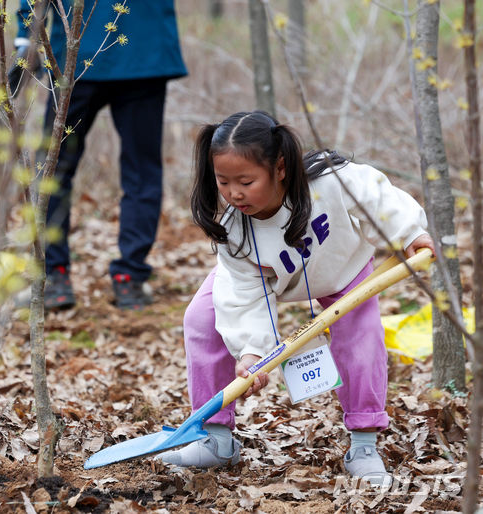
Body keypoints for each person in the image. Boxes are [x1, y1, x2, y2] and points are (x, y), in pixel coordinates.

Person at [156, 111, 435, 486]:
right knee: (202, 320)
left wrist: (411, 234)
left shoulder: (331, 181)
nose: (234, 193)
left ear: (280, 168)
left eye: (246, 181)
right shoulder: (236, 234)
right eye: (224, 182)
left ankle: (365, 444)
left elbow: (377, 197)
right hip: (272, 283)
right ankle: (215, 437)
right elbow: (243, 297)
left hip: (343, 271)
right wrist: (251, 354)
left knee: (362, 338)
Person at [14, 0, 187, 310]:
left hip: (83, 52)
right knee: (140, 171)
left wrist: (26, 33)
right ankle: (128, 280)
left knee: (55, 167)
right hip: (142, 51)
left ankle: (55, 276)